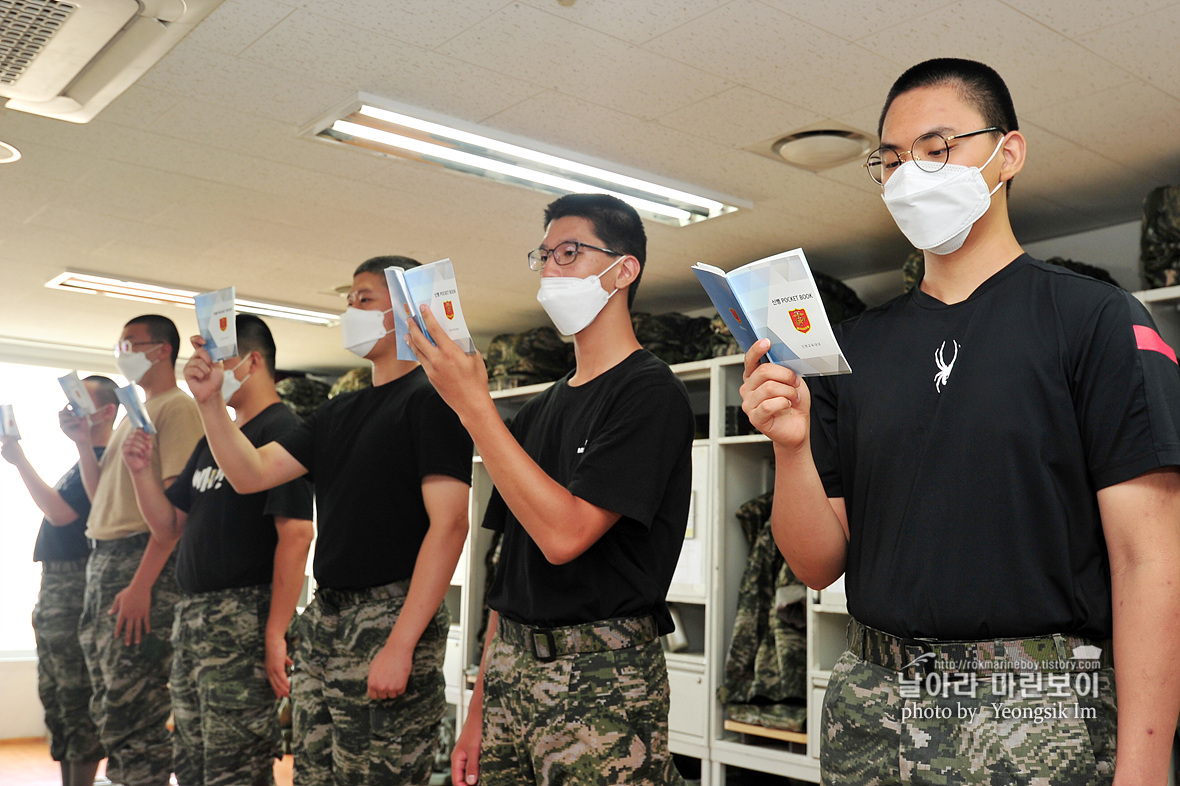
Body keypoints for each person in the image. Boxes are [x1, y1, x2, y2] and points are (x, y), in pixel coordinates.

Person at [739, 58, 1180, 784]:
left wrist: (1144, 766)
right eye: (891, 159)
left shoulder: (1094, 320)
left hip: (1037, 711)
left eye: (937, 148)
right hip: (872, 707)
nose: (911, 174)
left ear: (1008, 153)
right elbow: (818, 563)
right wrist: (789, 449)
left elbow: (1150, 562)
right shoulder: (855, 349)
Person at [406, 193, 695, 786]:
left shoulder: (649, 393)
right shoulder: (537, 412)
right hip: (511, 671)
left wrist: (473, 408)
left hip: (602, 679)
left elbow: (565, 535)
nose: (552, 270)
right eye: (544, 256)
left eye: (570, 253)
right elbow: (508, 576)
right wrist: (479, 710)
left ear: (624, 268)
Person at [182, 257, 472, 786]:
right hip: (328, 618)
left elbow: (450, 526)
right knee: (316, 774)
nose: (350, 310)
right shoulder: (339, 411)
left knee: (377, 773)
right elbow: (252, 473)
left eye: (364, 299)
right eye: (350, 300)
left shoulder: (434, 400)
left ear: (407, 311)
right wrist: (209, 405)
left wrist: (402, 644)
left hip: (389, 614)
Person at [122, 315, 314, 786]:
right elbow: (169, 526)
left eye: (219, 360)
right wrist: (142, 471)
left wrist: (275, 632)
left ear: (252, 362)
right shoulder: (218, 438)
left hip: (242, 617)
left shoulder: (283, 428)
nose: (207, 371)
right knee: (192, 762)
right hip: (195, 618)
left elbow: (296, 535)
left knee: (236, 765)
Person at [62, 315, 205, 786]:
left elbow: (176, 516)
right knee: (109, 703)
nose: (121, 351)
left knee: (134, 713)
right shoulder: (136, 412)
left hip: (137, 562)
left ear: (161, 350)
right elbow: (102, 492)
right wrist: (86, 445)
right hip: (104, 560)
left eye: (130, 343)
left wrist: (142, 584)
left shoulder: (176, 409)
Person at [1, 375, 119, 786]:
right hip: (58, 588)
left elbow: (61, 515)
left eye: (79, 399)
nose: (69, 407)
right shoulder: (86, 459)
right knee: (58, 699)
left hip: (76, 587)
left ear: (106, 411)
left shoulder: (105, 458)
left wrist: (18, 461)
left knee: (76, 699)